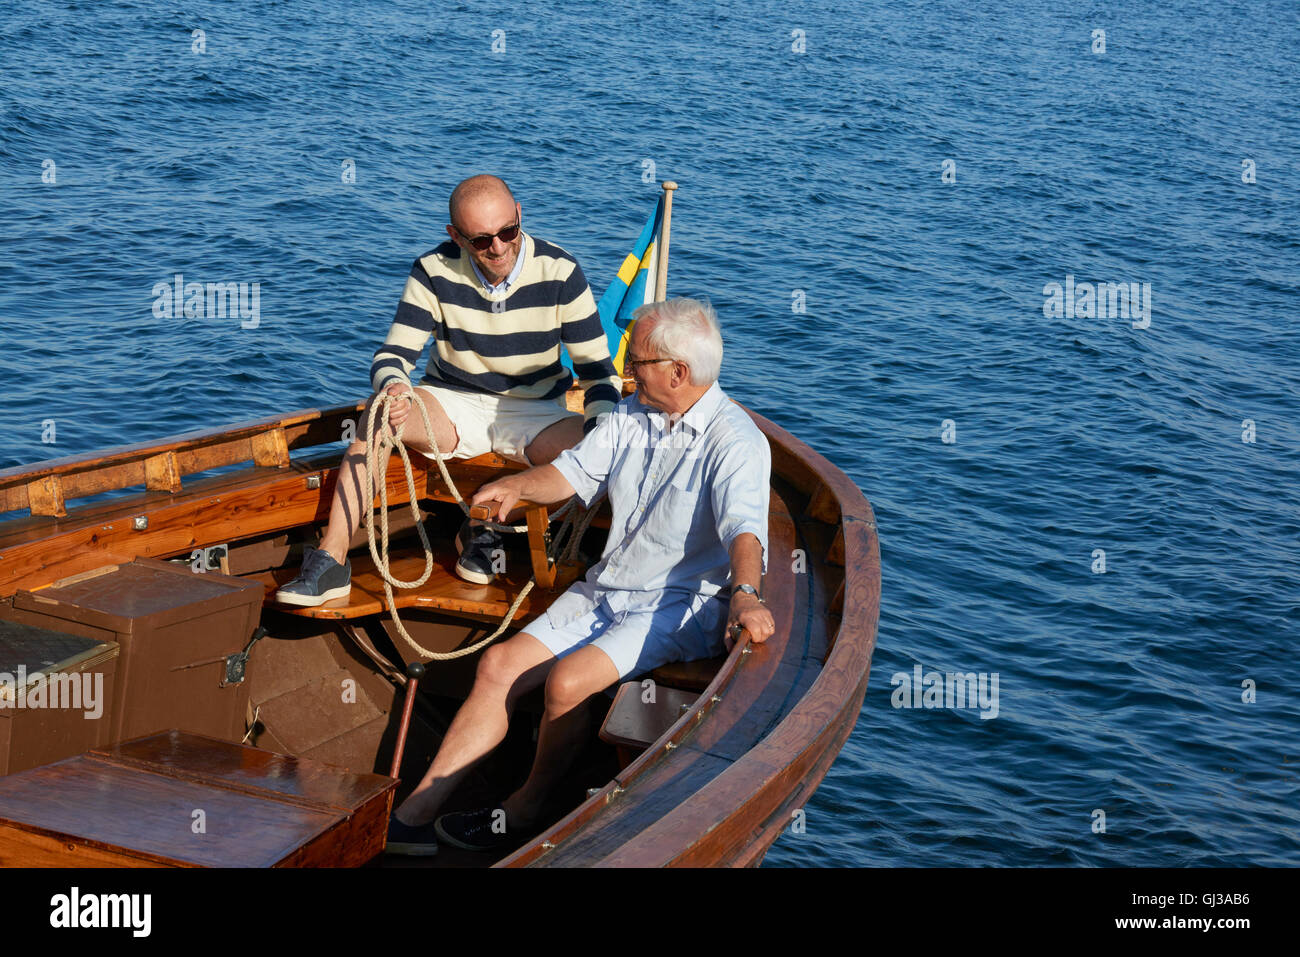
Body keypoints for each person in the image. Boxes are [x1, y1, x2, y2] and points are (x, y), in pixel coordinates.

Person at [384, 297, 775, 856]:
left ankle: (526, 810)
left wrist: (745, 596)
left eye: (636, 362)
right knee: (497, 665)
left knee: (567, 681)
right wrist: (518, 488)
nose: (624, 371)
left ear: (678, 372)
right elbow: (571, 472)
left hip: (679, 603)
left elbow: (745, 530)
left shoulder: (736, 441)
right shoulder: (631, 415)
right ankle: (415, 815)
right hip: (608, 587)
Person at [276, 174, 622, 605]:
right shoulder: (432, 270)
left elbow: (598, 374)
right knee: (380, 412)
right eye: (480, 240)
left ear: (520, 216)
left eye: (507, 232)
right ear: (455, 236)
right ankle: (330, 561)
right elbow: (391, 358)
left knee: (603, 453)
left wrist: (605, 428)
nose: (497, 247)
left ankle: (483, 525)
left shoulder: (561, 271)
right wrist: (397, 389)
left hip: (537, 412)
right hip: (453, 402)